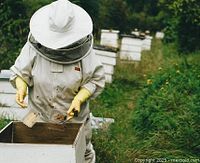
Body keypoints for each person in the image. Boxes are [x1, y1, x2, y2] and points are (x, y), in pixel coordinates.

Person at [9, 0, 105, 162]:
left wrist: (79, 99)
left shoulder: (84, 51)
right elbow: (21, 72)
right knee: (34, 154)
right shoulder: (33, 47)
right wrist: (21, 88)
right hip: (37, 116)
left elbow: (94, 81)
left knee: (81, 155)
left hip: (73, 119)